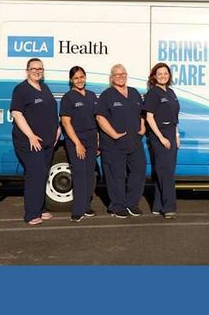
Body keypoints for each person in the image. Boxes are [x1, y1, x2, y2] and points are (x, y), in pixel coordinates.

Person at [8, 58, 60, 225]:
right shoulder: (21, 89)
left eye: (40, 69)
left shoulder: (44, 87)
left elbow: (50, 111)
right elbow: (17, 114)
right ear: (27, 70)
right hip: (29, 142)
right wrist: (30, 135)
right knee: (35, 175)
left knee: (43, 174)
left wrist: (57, 129)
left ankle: (39, 208)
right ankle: (31, 214)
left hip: (47, 142)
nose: (37, 71)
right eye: (34, 68)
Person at [95, 64, 147, 218]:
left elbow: (142, 113)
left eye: (123, 73)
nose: (121, 76)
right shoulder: (107, 95)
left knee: (139, 171)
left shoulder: (134, 93)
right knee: (116, 175)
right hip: (113, 144)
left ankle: (132, 204)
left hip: (134, 142)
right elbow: (100, 117)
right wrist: (114, 134)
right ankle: (117, 206)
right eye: (117, 74)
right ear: (112, 78)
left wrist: (143, 129)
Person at [59, 66, 100, 223]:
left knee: (90, 174)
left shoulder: (91, 95)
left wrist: (97, 140)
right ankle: (77, 211)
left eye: (81, 77)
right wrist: (77, 143)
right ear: (71, 80)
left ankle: (86, 207)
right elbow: (66, 122)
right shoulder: (68, 98)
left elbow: (96, 119)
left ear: (85, 77)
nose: (79, 80)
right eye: (76, 78)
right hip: (76, 139)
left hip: (91, 139)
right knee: (79, 173)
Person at [143, 63, 180, 219]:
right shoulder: (153, 94)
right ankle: (169, 207)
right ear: (154, 76)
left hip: (171, 134)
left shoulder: (171, 92)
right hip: (160, 135)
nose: (163, 76)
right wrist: (161, 137)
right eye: (160, 73)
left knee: (164, 171)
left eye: (166, 73)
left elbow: (174, 117)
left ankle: (158, 206)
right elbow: (149, 118)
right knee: (166, 173)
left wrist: (176, 136)